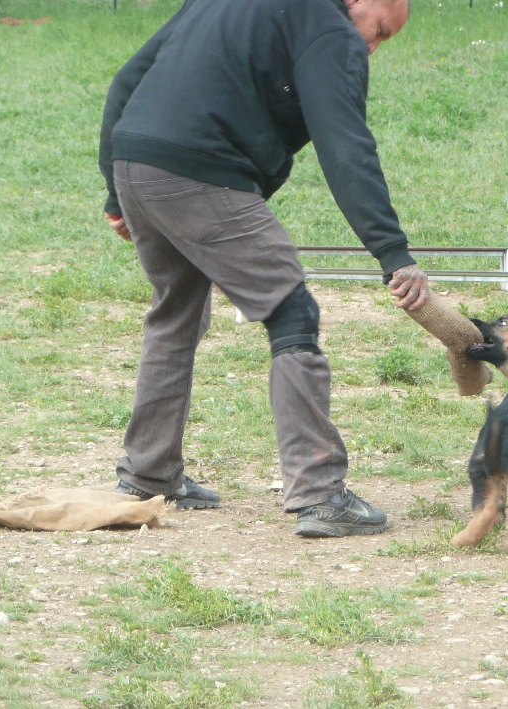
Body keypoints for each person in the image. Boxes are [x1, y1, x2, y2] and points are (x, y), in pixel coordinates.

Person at [98, 0, 430, 537]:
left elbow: (126, 80)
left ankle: (147, 473)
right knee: (291, 310)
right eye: (381, 31)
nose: (372, 46)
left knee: (174, 314)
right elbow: (344, 144)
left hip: (137, 160)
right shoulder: (328, 28)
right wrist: (393, 252)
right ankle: (320, 494)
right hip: (201, 170)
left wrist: (117, 189)